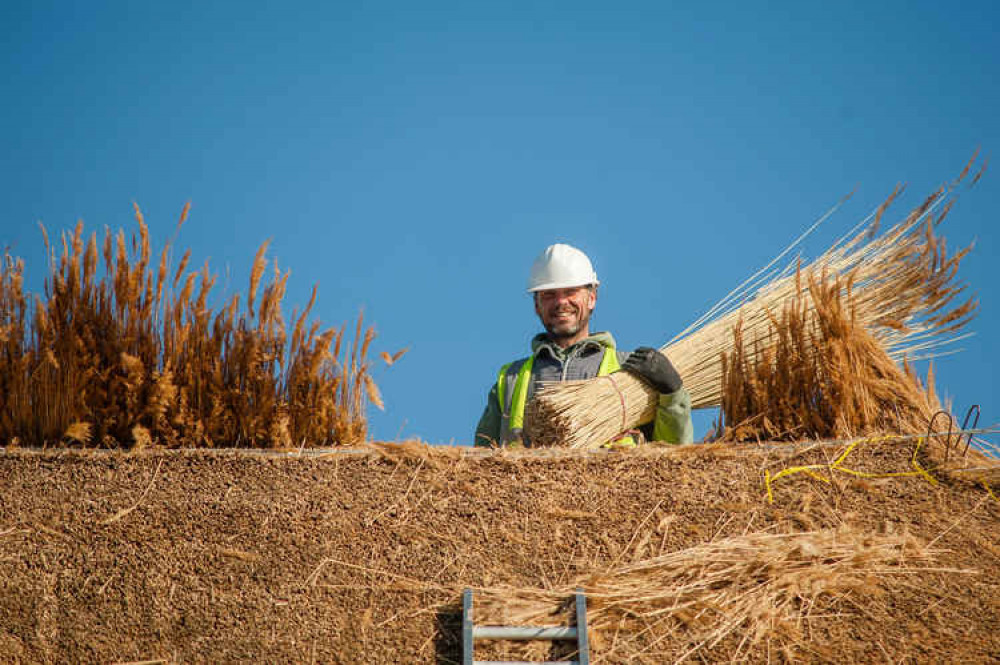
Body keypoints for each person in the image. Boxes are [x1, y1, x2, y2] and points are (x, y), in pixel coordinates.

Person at [475, 243, 694, 447]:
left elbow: (672, 459)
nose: (561, 302)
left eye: (571, 292)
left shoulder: (631, 369)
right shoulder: (510, 380)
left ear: (591, 298)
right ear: (537, 305)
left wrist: (672, 393)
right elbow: (481, 467)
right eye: (549, 295)